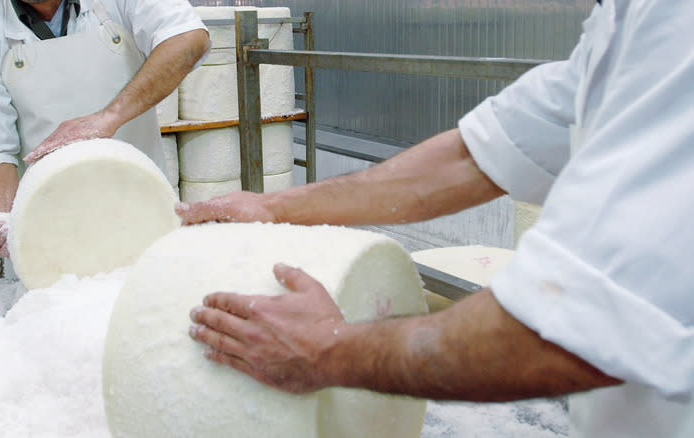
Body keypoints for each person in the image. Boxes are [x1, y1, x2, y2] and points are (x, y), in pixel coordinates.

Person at [177, 0, 694, 436]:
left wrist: (324, 351)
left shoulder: (674, 24)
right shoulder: (626, 21)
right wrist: (270, 207)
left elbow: (570, 332)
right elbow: (473, 158)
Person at [0, 0, 210, 257]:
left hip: (143, 211)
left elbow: (188, 38)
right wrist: (10, 224)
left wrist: (108, 118)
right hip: (50, 236)